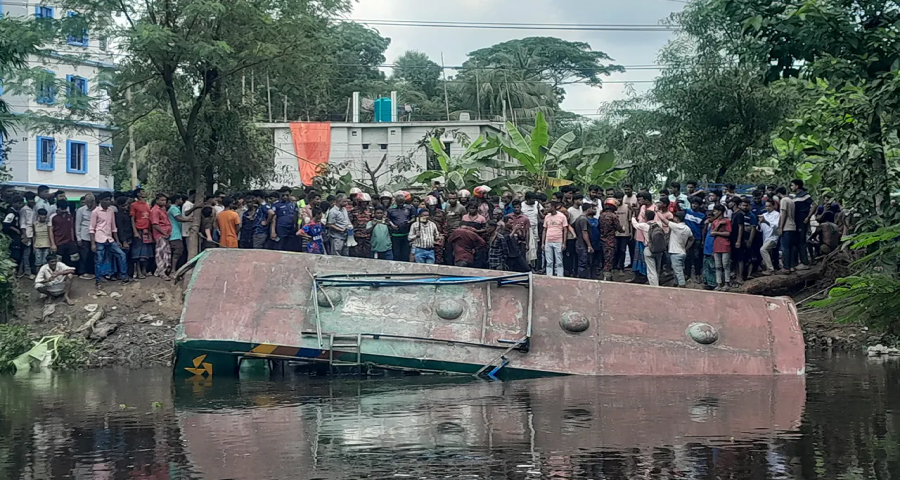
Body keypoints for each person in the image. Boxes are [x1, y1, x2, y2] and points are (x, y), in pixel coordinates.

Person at [90, 192, 130, 288]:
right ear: (101, 200)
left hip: (110, 238)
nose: (109, 201)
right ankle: (98, 280)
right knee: (99, 260)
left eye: (109, 199)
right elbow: (91, 228)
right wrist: (93, 244)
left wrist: (117, 241)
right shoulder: (95, 212)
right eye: (106, 199)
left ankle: (124, 275)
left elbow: (113, 227)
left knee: (122, 255)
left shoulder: (111, 211)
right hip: (99, 238)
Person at [630, 192, 656, 284]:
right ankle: (637, 276)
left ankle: (645, 277)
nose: (638, 201)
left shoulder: (654, 209)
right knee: (637, 257)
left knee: (646, 259)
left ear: (646, 200)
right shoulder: (642, 207)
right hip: (639, 235)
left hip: (647, 238)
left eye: (640, 199)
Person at [664, 212, 694, 287]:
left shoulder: (676, 227)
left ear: (677, 219)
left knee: (678, 271)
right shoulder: (687, 228)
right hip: (682, 251)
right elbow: (692, 239)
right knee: (677, 269)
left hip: (675, 252)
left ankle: (682, 284)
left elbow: (664, 220)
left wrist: (657, 211)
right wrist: (686, 247)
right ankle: (675, 283)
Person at [791, 179, 815, 269]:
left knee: (801, 241)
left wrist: (808, 217)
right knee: (797, 241)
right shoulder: (796, 196)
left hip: (802, 220)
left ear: (797, 186)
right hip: (796, 221)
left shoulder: (805, 195)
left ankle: (804, 262)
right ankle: (797, 262)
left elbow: (814, 205)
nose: (791, 187)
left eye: (792, 185)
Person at [129, 189, 153, 279]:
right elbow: (132, 219)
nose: (145, 193)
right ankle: (139, 272)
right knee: (137, 253)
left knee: (146, 252)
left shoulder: (147, 205)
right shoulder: (134, 205)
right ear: (138, 194)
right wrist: (135, 232)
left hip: (147, 231)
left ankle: (144, 270)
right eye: (142, 191)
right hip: (139, 230)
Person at [542, 201, 569, 277]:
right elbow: (544, 230)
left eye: (548, 207)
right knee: (549, 261)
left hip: (558, 241)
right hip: (548, 241)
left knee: (559, 261)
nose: (546, 209)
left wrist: (564, 243)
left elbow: (565, 230)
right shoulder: (547, 217)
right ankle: (549, 276)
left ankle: (560, 276)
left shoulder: (562, 216)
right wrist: (543, 243)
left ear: (553, 207)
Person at [709, 204, 733, 290]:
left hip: (725, 245)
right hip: (716, 245)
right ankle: (719, 283)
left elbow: (728, 233)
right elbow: (711, 233)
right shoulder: (715, 222)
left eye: (715, 211)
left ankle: (727, 282)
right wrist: (718, 226)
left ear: (720, 212)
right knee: (717, 266)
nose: (714, 213)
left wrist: (716, 233)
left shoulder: (727, 221)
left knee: (725, 265)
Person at [683, 197, 706, 284]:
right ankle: (687, 273)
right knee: (687, 255)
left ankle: (697, 274)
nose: (694, 205)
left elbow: (703, 229)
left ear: (699, 205)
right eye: (693, 203)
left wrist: (702, 240)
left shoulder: (702, 215)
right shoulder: (686, 211)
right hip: (687, 237)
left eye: (696, 204)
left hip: (697, 238)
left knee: (696, 256)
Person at [49, 199, 78, 268]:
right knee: (59, 261)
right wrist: (52, 244)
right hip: (58, 242)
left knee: (74, 259)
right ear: (58, 208)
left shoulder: (69, 216)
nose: (64, 210)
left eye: (65, 208)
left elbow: (72, 228)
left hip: (70, 242)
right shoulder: (53, 217)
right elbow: (50, 230)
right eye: (62, 208)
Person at [150, 194, 173, 279]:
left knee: (166, 253)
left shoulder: (163, 209)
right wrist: (164, 233)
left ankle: (161, 271)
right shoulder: (155, 210)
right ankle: (161, 272)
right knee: (161, 254)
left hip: (165, 234)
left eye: (165, 200)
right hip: (160, 235)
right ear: (157, 200)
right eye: (162, 200)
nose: (164, 202)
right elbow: (155, 225)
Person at [599, 198, 623, 281]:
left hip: (602, 239)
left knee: (604, 257)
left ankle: (605, 274)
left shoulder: (601, 215)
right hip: (610, 240)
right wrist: (622, 229)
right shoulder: (613, 216)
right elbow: (619, 228)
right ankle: (607, 276)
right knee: (609, 258)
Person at [572, 203, 596, 279]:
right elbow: (584, 232)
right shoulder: (584, 219)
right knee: (583, 263)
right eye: (592, 208)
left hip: (579, 243)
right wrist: (589, 245)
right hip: (583, 245)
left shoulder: (578, 218)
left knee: (582, 262)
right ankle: (582, 279)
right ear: (588, 209)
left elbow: (571, 226)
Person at [387, 193, 414, 262]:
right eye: (399, 202)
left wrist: (409, 222)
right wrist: (392, 225)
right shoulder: (390, 210)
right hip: (395, 235)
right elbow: (387, 219)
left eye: (402, 202)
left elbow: (414, 218)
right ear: (396, 201)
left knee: (405, 254)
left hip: (406, 235)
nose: (401, 204)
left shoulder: (409, 208)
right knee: (396, 254)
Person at [778, 186, 798, 274]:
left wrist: (781, 227)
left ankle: (786, 267)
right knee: (792, 247)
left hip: (787, 227)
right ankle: (792, 266)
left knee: (785, 248)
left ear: (779, 194)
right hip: (793, 226)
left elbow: (783, 214)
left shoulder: (783, 201)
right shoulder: (791, 200)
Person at [75, 194, 96, 279]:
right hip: (84, 236)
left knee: (92, 256)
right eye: (88, 203)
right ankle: (82, 272)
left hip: (95, 236)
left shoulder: (97, 210)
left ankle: (91, 272)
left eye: (91, 202)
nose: (90, 204)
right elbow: (78, 224)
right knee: (84, 255)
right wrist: (78, 238)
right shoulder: (81, 210)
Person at [270, 187, 298, 251]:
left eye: (287, 195)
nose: (285, 197)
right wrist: (273, 231)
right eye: (283, 195)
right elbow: (273, 219)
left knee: (290, 247)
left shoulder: (293, 204)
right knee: (279, 246)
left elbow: (295, 216)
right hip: (281, 229)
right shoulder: (276, 205)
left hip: (291, 228)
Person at [113, 197, 134, 278]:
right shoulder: (119, 215)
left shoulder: (127, 213)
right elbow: (120, 229)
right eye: (124, 205)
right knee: (123, 257)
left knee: (129, 258)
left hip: (129, 237)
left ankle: (129, 274)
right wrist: (124, 241)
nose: (126, 207)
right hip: (124, 239)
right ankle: (122, 274)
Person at [759, 199, 781, 275]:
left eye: (769, 206)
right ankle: (770, 269)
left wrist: (766, 221)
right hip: (765, 237)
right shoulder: (764, 215)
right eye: (766, 206)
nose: (767, 208)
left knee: (763, 250)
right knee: (767, 252)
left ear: (773, 206)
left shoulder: (777, 214)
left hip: (773, 237)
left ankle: (770, 269)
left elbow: (776, 226)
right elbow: (761, 228)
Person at [521, 192, 542, 267]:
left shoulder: (537, 204)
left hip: (535, 228)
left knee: (535, 247)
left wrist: (539, 209)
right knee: (528, 246)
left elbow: (541, 215)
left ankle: (534, 265)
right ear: (527, 199)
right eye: (532, 199)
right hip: (526, 228)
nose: (533, 201)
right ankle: (527, 264)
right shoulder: (522, 205)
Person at [3, 196, 23, 274]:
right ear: (14, 203)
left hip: (15, 236)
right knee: (14, 253)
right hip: (12, 236)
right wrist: (16, 230)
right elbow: (6, 224)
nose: (21, 205)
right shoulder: (11, 213)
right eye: (19, 203)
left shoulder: (16, 212)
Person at [169, 195, 190, 268]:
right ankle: (173, 269)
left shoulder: (175, 208)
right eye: (181, 199)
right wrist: (190, 220)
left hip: (177, 233)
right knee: (177, 252)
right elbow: (178, 218)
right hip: (175, 234)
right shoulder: (173, 209)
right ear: (177, 200)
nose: (182, 201)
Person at [19, 192, 36, 278]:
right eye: (30, 199)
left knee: (33, 253)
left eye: (33, 199)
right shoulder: (24, 210)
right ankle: (27, 272)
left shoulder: (33, 208)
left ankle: (31, 270)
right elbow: (22, 224)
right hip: (27, 234)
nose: (32, 201)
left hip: (34, 233)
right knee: (26, 254)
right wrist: (24, 235)